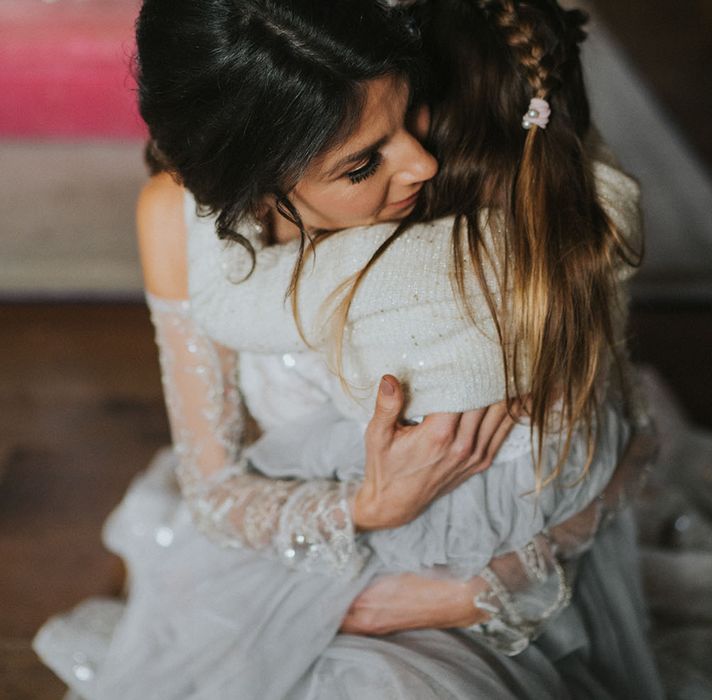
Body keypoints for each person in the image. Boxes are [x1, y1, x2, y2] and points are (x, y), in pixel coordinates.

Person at [34, 0, 663, 698]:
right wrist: (368, 508)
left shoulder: (463, 159)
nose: (419, 162)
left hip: (505, 561)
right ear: (253, 184)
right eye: (362, 164)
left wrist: (481, 591)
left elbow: (625, 442)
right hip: (297, 572)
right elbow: (214, 491)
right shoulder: (178, 226)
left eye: (408, 110)